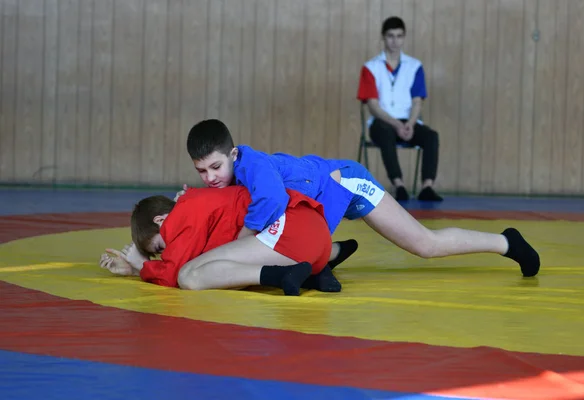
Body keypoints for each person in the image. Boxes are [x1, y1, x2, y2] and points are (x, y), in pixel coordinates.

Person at [179, 119, 540, 280]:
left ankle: (507, 242)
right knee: (303, 243)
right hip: (325, 187)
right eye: (202, 172)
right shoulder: (233, 172)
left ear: (234, 153)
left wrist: (241, 238)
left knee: (425, 245)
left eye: (215, 167)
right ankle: (335, 251)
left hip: (346, 183)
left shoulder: (253, 166)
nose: (211, 178)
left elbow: (270, 201)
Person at [99, 186, 353, 295]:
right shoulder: (199, 205)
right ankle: (319, 266)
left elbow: (173, 272)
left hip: (293, 230)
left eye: (160, 247)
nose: (167, 252)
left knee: (188, 276)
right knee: (221, 272)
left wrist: (141, 266)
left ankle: (283, 275)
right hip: (313, 231)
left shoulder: (183, 213)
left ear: (161, 220)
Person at [357, 16, 442, 202]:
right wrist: (396, 124)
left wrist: (411, 123)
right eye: (390, 36)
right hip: (382, 123)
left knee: (431, 136)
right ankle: (399, 185)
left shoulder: (415, 66)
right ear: (383, 37)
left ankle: (427, 186)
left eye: (399, 36)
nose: (395, 41)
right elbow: (372, 105)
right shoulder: (370, 67)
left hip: (408, 122)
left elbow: (417, 100)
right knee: (385, 132)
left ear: (404, 37)